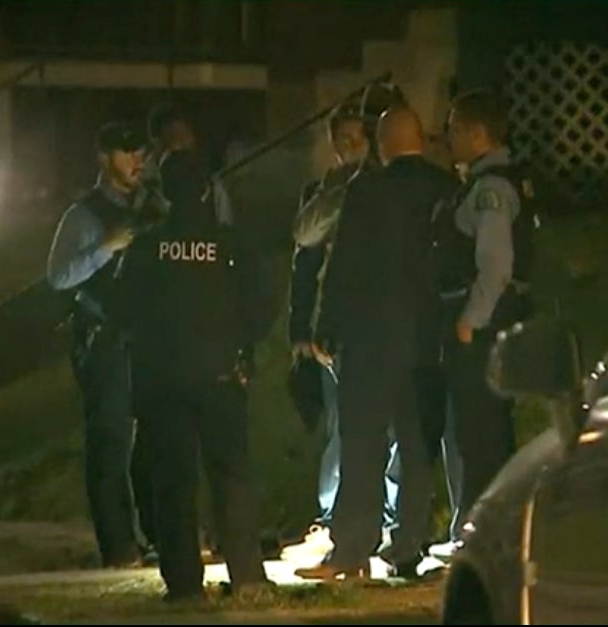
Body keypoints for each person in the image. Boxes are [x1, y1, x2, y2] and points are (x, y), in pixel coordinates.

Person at [300, 106, 458, 581]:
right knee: (415, 446)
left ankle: (352, 549)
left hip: (370, 338)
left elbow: (346, 261)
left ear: (383, 144)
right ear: (421, 141)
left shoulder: (367, 190)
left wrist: (326, 325)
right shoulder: (446, 190)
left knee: (363, 444)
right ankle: (407, 545)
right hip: (427, 338)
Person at [121, 142, 276, 601]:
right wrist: (240, 347)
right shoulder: (231, 245)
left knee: (173, 483)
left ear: (165, 193)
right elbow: (263, 309)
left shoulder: (147, 247)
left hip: (162, 383)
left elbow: (124, 309)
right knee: (231, 475)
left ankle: (184, 582)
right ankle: (246, 574)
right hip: (222, 376)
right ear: (207, 189)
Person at [281, 110, 401, 567]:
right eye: (343, 139)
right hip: (334, 327)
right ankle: (333, 517)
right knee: (340, 427)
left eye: (358, 138)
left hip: (376, 321)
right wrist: (300, 329)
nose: (352, 147)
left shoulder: (381, 188)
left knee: (386, 428)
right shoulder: (326, 192)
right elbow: (304, 260)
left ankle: (386, 516)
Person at [46, 121, 158, 567]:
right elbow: (57, 276)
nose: (137, 160)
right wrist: (105, 249)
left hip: (148, 337)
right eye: (126, 151)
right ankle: (118, 544)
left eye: (141, 152)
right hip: (104, 340)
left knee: (154, 441)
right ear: (103, 158)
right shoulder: (83, 215)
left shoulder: (153, 206)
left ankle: (156, 532)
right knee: (110, 443)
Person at [434, 89, 536, 531]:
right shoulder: (491, 182)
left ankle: (486, 529)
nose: (447, 136)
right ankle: (485, 524)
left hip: (482, 326)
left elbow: (495, 265)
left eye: (454, 128)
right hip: (493, 322)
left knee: (480, 431)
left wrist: (469, 322)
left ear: (477, 133)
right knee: (483, 427)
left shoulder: (489, 190)